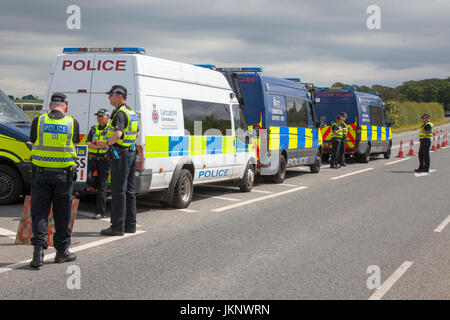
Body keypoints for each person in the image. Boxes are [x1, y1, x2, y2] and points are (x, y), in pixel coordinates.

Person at [29, 93, 80, 269]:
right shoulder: (72, 122)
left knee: (40, 212)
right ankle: (61, 252)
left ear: (51, 105)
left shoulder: (39, 121)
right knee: (62, 214)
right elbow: (74, 143)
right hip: (63, 175)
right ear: (65, 106)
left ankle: (38, 253)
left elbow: (33, 141)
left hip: (40, 174)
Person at [97, 85, 139, 236]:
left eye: (111, 95)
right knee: (129, 191)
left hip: (121, 154)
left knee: (118, 191)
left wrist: (108, 144)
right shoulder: (131, 112)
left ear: (120, 96)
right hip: (131, 153)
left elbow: (118, 134)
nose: (109, 97)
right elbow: (136, 133)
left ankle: (117, 227)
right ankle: (130, 225)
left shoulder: (120, 114)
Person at [86, 108, 111, 219]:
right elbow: (88, 142)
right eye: (98, 116)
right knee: (89, 178)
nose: (99, 118)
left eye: (101, 116)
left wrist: (95, 144)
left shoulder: (110, 130)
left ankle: (99, 212)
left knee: (102, 186)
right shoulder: (93, 129)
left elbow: (108, 145)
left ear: (107, 117)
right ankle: (100, 189)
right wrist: (98, 144)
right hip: (92, 158)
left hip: (105, 160)